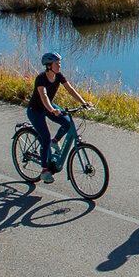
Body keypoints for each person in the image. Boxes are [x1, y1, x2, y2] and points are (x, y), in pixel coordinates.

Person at [28, 51, 90, 183]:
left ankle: (55, 141)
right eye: (57, 63)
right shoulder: (41, 78)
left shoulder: (59, 76)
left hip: (49, 106)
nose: (59, 65)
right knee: (45, 137)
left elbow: (70, 89)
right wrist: (51, 110)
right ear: (49, 65)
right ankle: (44, 170)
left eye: (60, 62)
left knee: (67, 123)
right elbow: (43, 96)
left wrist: (83, 102)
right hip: (36, 110)